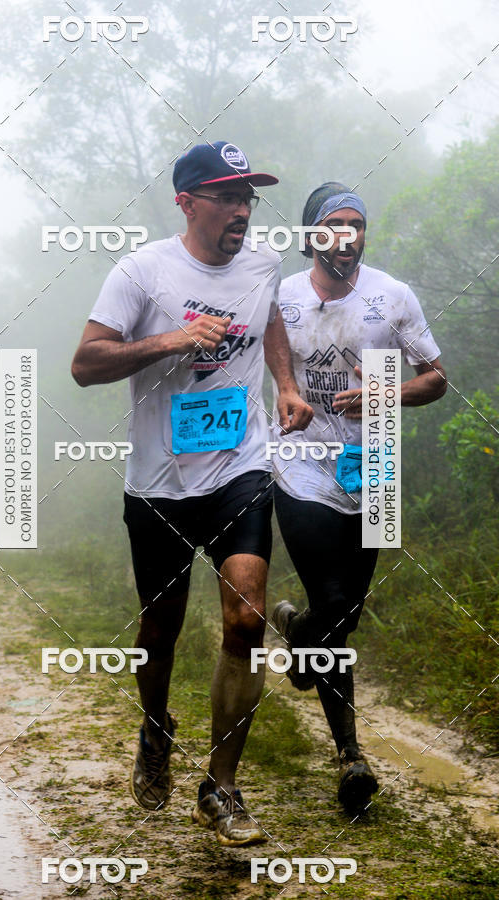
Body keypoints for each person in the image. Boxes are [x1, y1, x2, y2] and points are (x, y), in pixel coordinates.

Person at [71, 141, 308, 845]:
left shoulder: (264, 264)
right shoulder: (141, 272)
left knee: (244, 620)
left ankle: (223, 786)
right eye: (228, 197)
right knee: (160, 630)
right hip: (159, 487)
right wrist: (171, 340)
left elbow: (270, 321)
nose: (242, 211)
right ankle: (154, 726)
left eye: (248, 198)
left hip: (240, 471)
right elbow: (86, 363)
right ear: (188, 202)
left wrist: (288, 386)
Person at [268, 182, 447, 811]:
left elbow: (436, 379)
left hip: (376, 460)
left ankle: (299, 630)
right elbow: (255, 357)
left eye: (356, 224)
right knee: (335, 598)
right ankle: (350, 757)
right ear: (312, 234)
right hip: (301, 460)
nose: (346, 235)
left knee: (345, 613)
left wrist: (386, 396)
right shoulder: (281, 295)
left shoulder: (392, 295)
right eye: (333, 224)